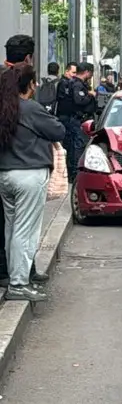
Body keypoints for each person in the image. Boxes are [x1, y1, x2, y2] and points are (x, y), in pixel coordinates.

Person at [0, 64, 63, 301]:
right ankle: (18, 284)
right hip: (29, 175)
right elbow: (58, 130)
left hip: (5, 175)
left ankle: (15, 277)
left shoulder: (4, 108)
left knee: (12, 229)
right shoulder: (30, 108)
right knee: (25, 232)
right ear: (30, 85)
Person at [0, 34, 36, 288]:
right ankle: (18, 274)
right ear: (28, 58)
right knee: (21, 224)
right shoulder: (20, 82)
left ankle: (18, 271)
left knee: (10, 222)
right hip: (19, 163)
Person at [55, 62, 96, 183]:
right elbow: (79, 101)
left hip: (72, 119)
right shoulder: (77, 84)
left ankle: (72, 173)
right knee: (77, 147)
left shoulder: (72, 82)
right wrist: (90, 95)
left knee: (73, 146)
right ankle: (75, 174)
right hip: (76, 120)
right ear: (87, 72)